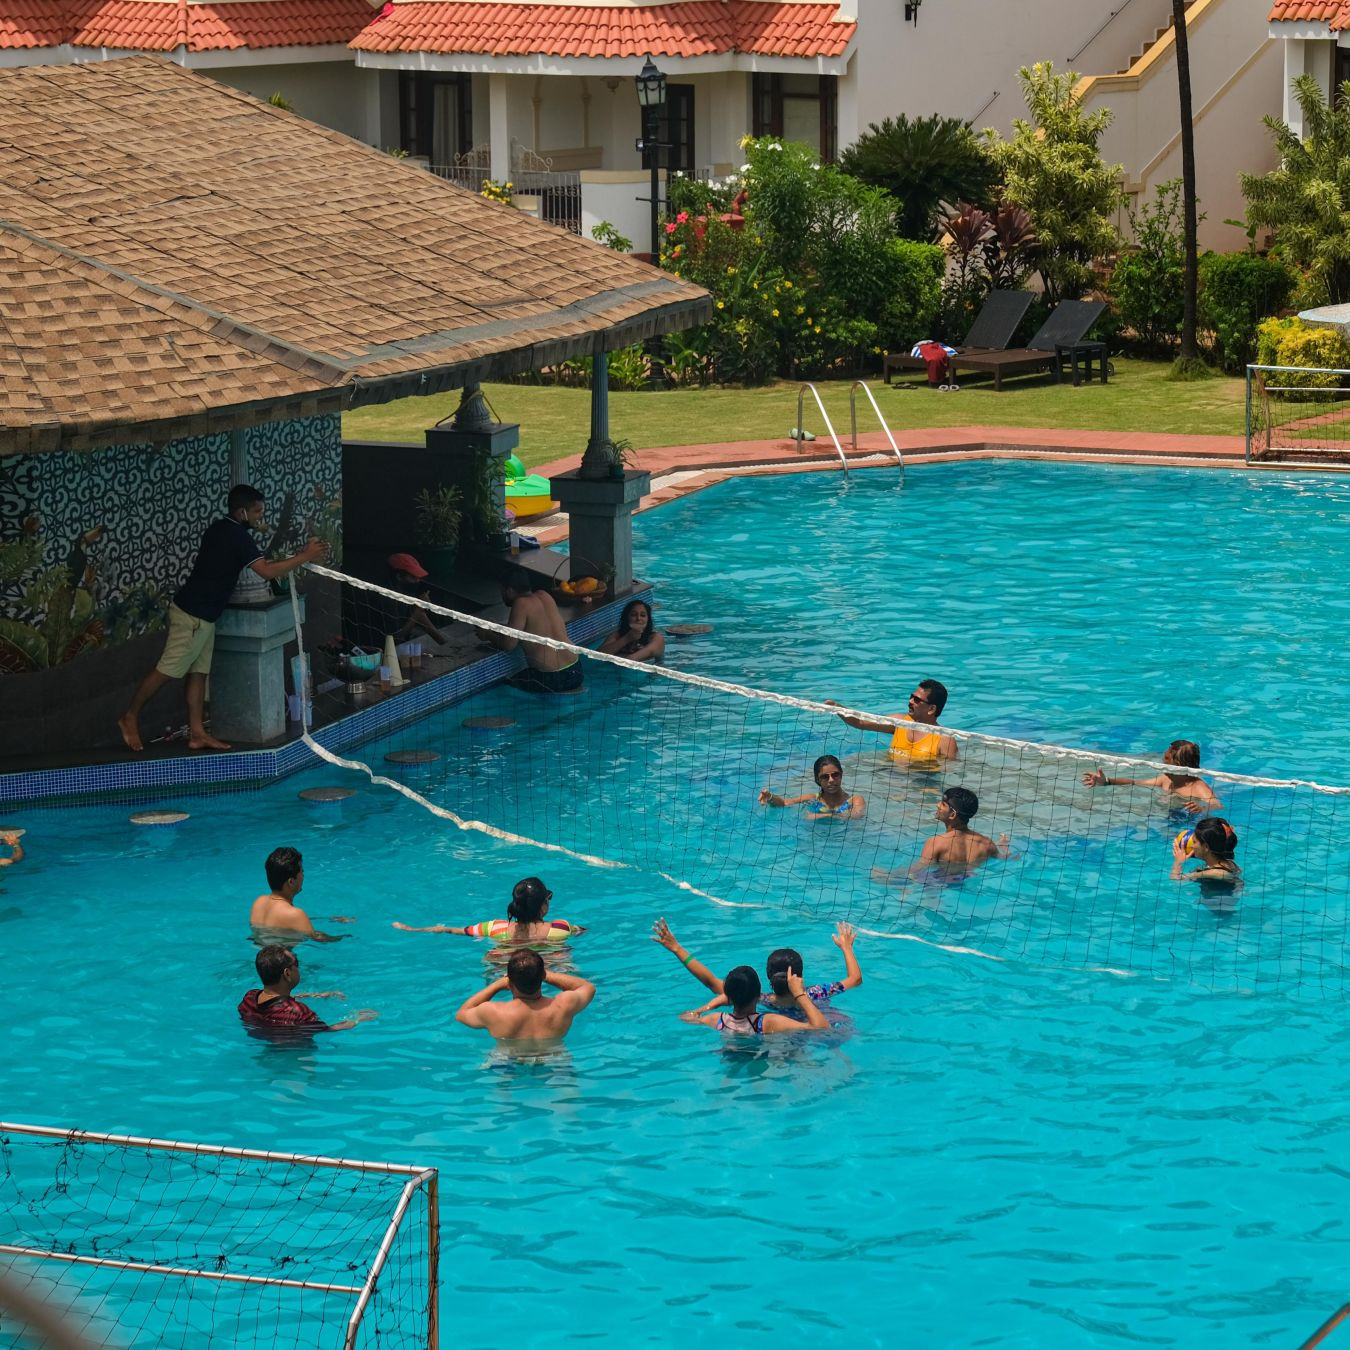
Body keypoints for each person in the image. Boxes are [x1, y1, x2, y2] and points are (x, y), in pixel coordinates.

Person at [118, 485, 326, 753]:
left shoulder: (221, 529)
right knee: (167, 670)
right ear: (242, 512)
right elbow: (265, 572)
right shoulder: (236, 536)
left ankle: (197, 733)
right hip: (192, 615)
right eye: (257, 512)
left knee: (199, 673)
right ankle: (130, 717)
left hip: (205, 615)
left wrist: (298, 556)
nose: (259, 517)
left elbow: (258, 564)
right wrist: (304, 557)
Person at [652, 918, 862, 1020]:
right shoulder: (818, 993)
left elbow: (712, 983)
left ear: (769, 978)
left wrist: (677, 948)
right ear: (799, 976)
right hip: (818, 1024)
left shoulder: (761, 999)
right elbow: (855, 979)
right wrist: (846, 947)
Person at [454, 949, 595, 1042]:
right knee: (568, 1087)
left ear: (509, 982)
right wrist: (547, 975)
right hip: (554, 1056)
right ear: (542, 977)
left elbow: (461, 1014)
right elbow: (588, 987)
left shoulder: (492, 1012)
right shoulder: (564, 1005)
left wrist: (496, 985)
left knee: (500, 1086)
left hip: (506, 1059)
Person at [392, 875, 585, 944]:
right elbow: (580, 931)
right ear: (543, 907)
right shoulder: (560, 928)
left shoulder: (494, 928)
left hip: (508, 968)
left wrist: (412, 929)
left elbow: (451, 930)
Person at [237, 945, 375, 1036]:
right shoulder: (298, 1012)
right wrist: (357, 1019)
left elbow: (276, 1002)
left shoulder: (249, 997)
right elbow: (327, 1029)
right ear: (287, 974)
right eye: (296, 964)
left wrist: (314, 995)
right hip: (294, 1052)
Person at [488, 566, 583, 694]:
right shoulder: (545, 596)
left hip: (552, 679)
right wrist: (496, 628)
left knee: (502, 685)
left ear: (509, 590)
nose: (502, 595)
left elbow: (508, 644)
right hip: (576, 669)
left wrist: (487, 635)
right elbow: (532, 627)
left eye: (502, 591)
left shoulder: (520, 604)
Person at [827, 679, 958, 764]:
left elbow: (947, 774)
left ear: (931, 709)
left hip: (919, 788)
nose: (910, 701)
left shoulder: (945, 740)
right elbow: (860, 722)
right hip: (889, 777)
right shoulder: (899, 722)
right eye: (911, 697)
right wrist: (838, 707)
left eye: (917, 700)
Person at [682, 965, 829, 1037]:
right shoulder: (768, 1022)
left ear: (729, 997)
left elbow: (686, 1017)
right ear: (759, 995)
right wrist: (799, 994)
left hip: (729, 1060)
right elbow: (820, 1027)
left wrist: (701, 1010)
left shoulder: (715, 1019)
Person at [1083, 739, 1221, 814]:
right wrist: (1107, 781)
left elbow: (1217, 805)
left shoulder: (1197, 786)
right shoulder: (1165, 779)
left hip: (1186, 821)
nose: (1162, 761)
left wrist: (1201, 809)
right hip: (1166, 814)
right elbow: (1134, 782)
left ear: (1179, 764)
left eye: (1166, 758)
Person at [249, 847, 350, 942]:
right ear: (291, 882)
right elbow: (317, 938)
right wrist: (343, 937)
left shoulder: (259, 902)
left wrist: (327, 919)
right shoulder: (296, 914)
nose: (303, 875)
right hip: (283, 959)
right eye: (302, 871)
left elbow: (281, 921)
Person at [352, 553, 449, 650]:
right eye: (413, 577)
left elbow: (420, 616)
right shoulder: (385, 597)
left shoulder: (403, 590)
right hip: (375, 650)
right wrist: (419, 608)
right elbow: (395, 639)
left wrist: (444, 643)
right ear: (399, 576)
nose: (418, 581)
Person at [909, 786, 1009, 875]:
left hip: (940, 881)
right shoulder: (986, 844)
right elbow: (1005, 857)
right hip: (969, 881)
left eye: (943, 804)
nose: (937, 805)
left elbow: (917, 870)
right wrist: (1003, 845)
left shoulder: (936, 843)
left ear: (952, 815)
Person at [759, 754, 865, 821]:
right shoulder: (813, 799)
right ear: (817, 780)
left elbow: (856, 816)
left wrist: (824, 816)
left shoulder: (854, 800)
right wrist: (770, 797)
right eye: (825, 777)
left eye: (835, 775)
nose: (831, 780)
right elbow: (784, 803)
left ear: (841, 775)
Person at [1172, 816, 1241, 894]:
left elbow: (1176, 881)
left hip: (1216, 903)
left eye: (1194, 842)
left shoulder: (1215, 873)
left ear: (1206, 847)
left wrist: (1177, 862)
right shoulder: (1229, 863)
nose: (1192, 846)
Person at [599, 599, 665, 663]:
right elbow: (597, 656)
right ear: (627, 618)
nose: (638, 618)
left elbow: (630, 660)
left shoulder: (656, 638)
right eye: (633, 615)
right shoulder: (617, 635)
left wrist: (617, 655)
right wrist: (626, 639)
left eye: (643, 615)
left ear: (648, 619)